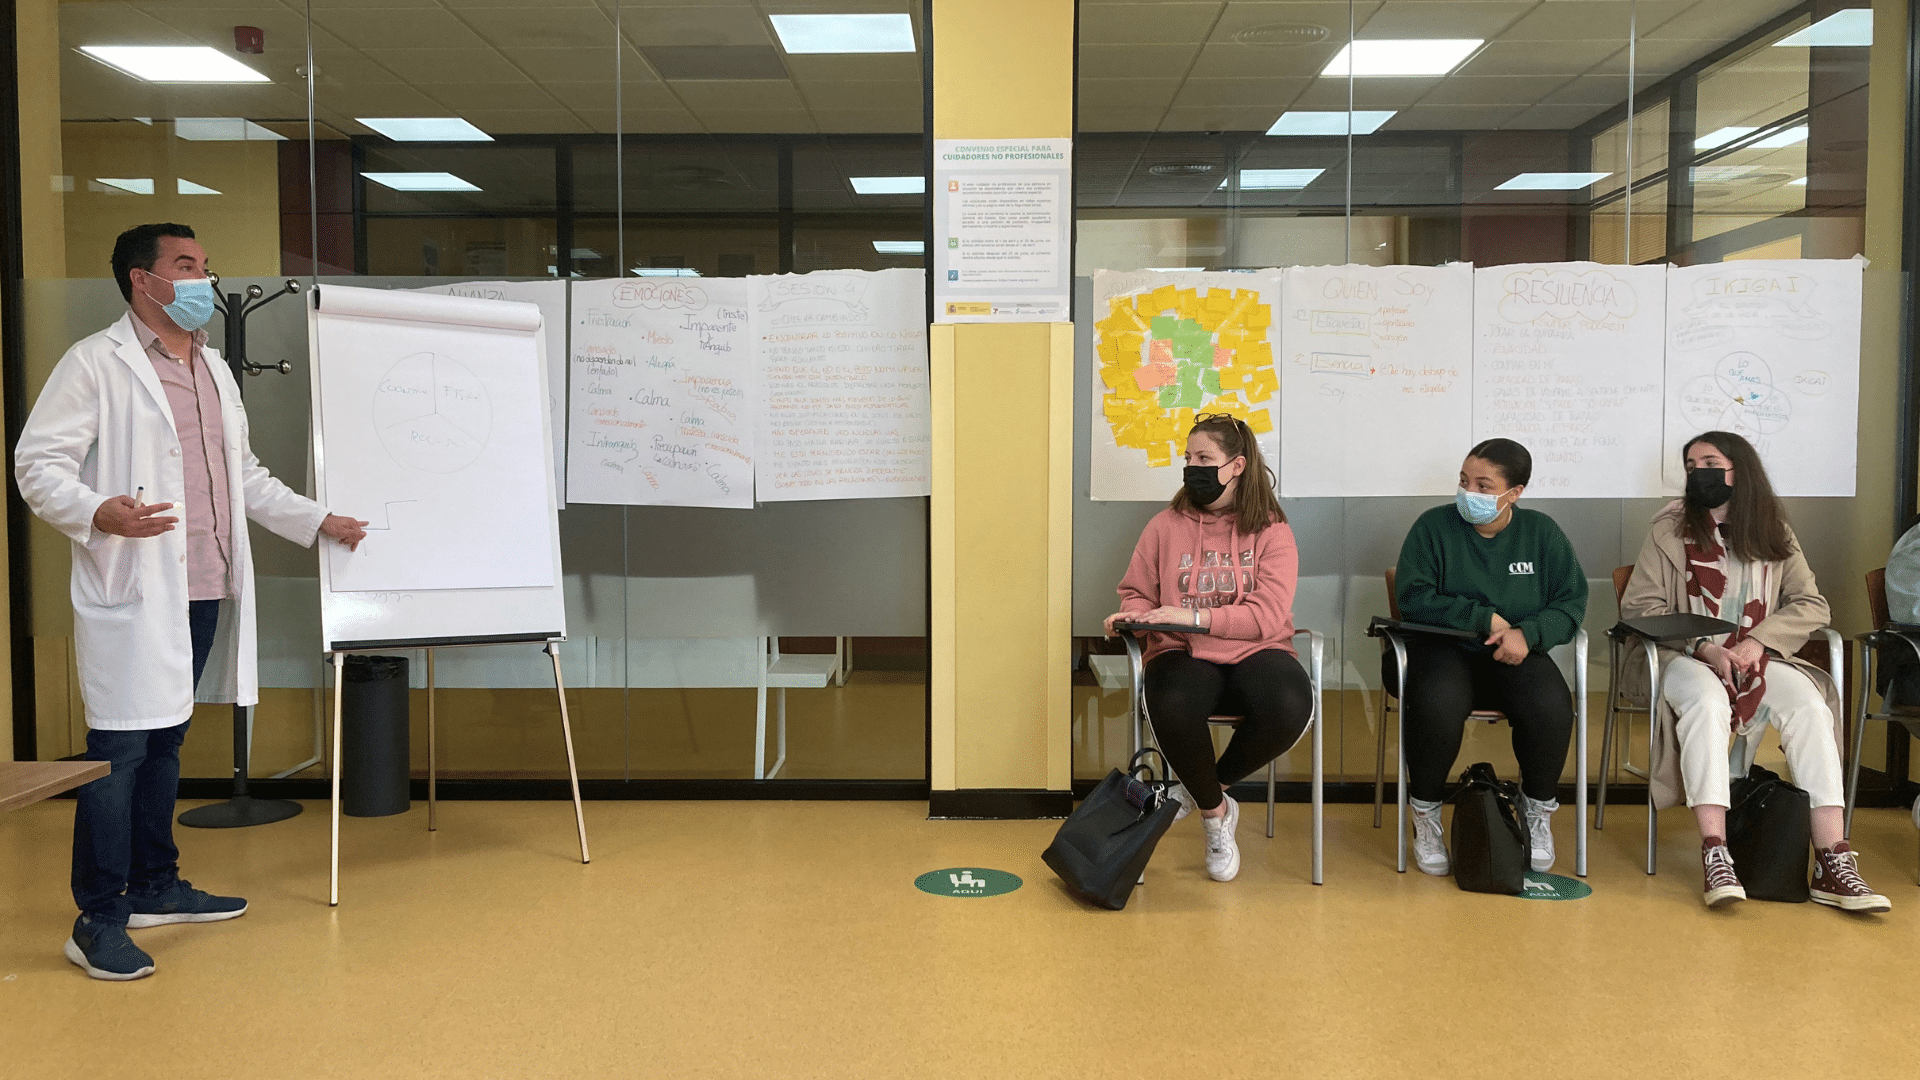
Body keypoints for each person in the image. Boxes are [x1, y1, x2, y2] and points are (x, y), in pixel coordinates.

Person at [15, 224, 370, 981]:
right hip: (135, 587)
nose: (203, 279)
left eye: (206, 266)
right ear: (141, 280)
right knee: (118, 750)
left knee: (167, 741)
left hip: (203, 585)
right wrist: (96, 511)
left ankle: (155, 885)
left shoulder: (213, 367)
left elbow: (244, 476)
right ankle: (97, 917)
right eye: (185, 266)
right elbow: (37, 464)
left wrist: (318, 521)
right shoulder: (95, 362)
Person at [1621, 431, 1888, 912]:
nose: (1698, 472)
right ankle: (1716, 851)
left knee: (1809, 707)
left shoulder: (1772, 530)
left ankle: (1832, 858)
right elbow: (1641, 608)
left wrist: (1757, 641)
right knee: (1706, 701)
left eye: (1710, 462)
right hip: (1682, 656)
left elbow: (1811, 603)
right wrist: (1705, 647)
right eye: (1691, 465)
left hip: (1754, 656)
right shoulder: (1667, 530)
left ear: (1739, 470)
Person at [1104, 414, 1313, 883]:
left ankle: (1200, 790)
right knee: (1171, 701)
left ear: (1237, 466)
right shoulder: (1164, 526)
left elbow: (1266, 616)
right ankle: (1215, 813)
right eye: (1187, 458)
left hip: (1257, 648)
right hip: (1181, 651)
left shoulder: (1273, 531)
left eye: (1204, 458)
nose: (1191, 467)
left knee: (1289, 703)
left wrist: (1193, 616)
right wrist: (1132, 616)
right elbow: (1137, 592)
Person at [1389, 438, 1587, 876]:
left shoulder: (1542, 533)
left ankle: (1537, 810)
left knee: (1552, 706)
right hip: (1442, 649)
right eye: (1464, 481)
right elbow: (1413, 597)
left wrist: (1528, 633)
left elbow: (1570, 603)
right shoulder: (1432, 527)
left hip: (1514, 652)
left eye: (1483, 485)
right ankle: (1426, 813)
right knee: (1437, 704)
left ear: (1514, 492)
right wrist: (1483, 618)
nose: (1468, 492)